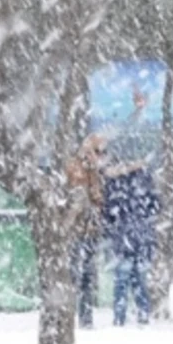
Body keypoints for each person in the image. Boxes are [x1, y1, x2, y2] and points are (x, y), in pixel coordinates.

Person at [103, 163, 158, 326]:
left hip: (123, 241)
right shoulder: (144, 186)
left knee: (122, 280)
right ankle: (142, 313)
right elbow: (154, 208)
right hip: (139, 240)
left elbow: (109, 214)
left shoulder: (116, 188)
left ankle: (121, 316)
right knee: (138, 280)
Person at [66, 134, 107, 328]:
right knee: (75, 274)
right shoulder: (77, 167)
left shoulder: (95, 171)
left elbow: (97, 198)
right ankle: (69, 315)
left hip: (89, 230)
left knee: (87, 276)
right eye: (98, 151)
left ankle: (86, 317)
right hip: (77, 230)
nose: (100, 156)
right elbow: (80, 196)